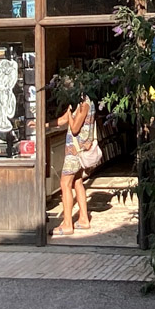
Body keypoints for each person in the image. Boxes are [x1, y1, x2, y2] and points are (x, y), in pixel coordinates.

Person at [51, 90, 96, 236]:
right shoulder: (78, 103)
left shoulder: (84, 104)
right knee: (77, 182)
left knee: (65, 184)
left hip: (75, 152)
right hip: (76, 150)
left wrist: (70, 115)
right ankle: (83, 219)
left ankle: (67, 224)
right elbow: (63, 120)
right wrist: (43, 125)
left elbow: (75, 128)